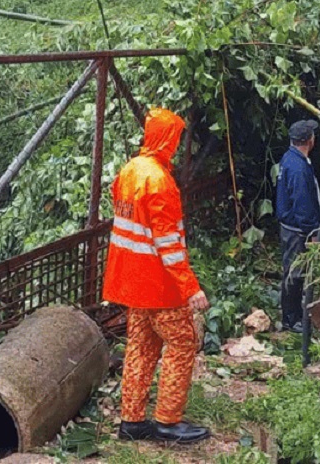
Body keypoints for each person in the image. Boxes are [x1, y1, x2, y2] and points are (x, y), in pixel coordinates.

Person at [103, 108, 211, 445]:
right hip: (160, 285)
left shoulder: (129, 170)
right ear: (167, 138)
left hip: (133, 284)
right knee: (182, 343)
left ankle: (132, 422)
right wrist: (191, 288)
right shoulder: (160, 181)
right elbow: (168, 244)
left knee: (140, 347)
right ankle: (167, 422)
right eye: (176, 138)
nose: (177, 146)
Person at [275, 119, 320, 333]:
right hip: (296, 229)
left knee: (294, 270)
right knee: (295, 272)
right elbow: (302, 202)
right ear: (308, 140)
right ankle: (291, 320)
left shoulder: (291, 159)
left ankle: (293, 314)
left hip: (291, 226)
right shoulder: (298, 168)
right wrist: (312, 231)